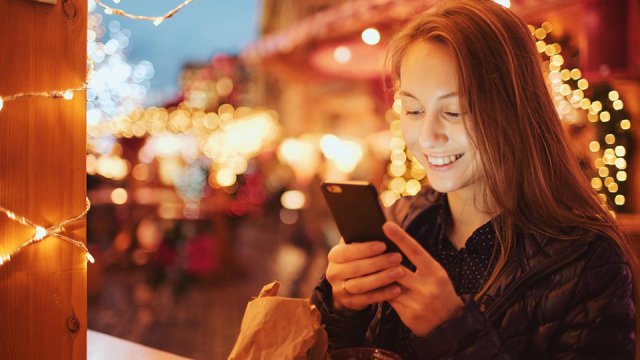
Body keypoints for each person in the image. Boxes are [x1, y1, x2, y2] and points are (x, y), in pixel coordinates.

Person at [311, 0, 638, 358]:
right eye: (413, 110)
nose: (428, 136)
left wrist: (452, 333)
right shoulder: (400, 221)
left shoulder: (588, 259)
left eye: (453, 111)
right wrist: (340, 308)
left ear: (514, 109)